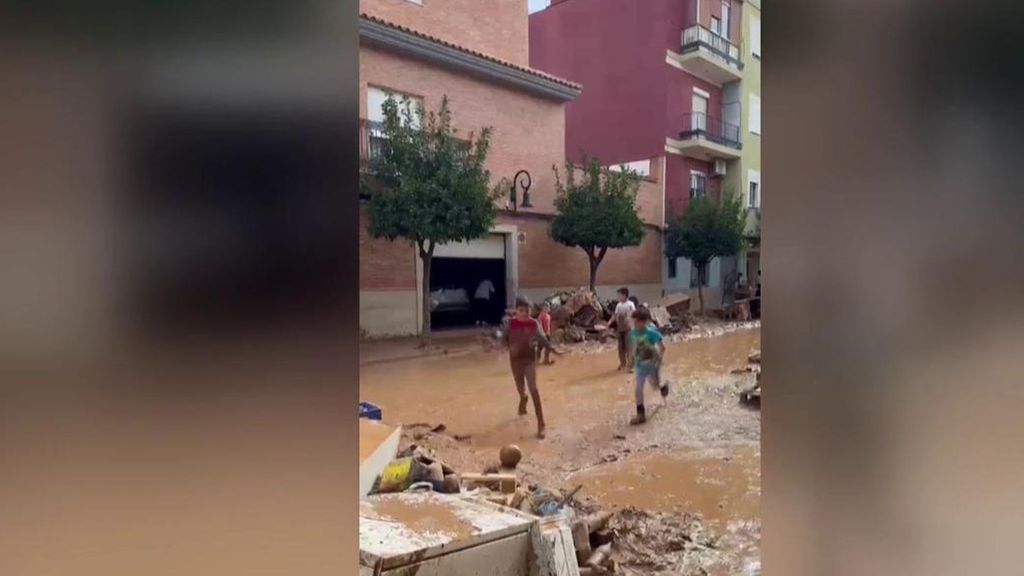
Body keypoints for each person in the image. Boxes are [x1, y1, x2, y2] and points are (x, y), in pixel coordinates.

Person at [503, 296, 560, 438]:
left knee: (534, 389)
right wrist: (510, 347)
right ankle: (523, 399)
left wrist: (553, 350)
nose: (524, 314)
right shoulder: (510, 324)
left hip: (529, 360)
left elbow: (543, 339)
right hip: (515, 361)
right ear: (516, 311)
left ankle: (541, 424)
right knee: (521, 390)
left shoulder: (534, 324)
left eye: (527, 311)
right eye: (521, 311)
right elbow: (503, 340)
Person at [628, 308, 669, 425]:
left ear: (644, 322)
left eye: (636, 322)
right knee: (638, 389)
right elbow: (633, 348)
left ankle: (663, 388)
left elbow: (662, 347)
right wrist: (630, 361)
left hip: (652, 365)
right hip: (640, 366)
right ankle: (641, 414)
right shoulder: (633, 333)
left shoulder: (651, 333)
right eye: (633, 321)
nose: (634, 324)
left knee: (655, 386)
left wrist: (658, 360)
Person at [611, 287, 636, 372]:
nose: (618, 297)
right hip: (620, 329)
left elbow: (632, 314)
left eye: (619, 295)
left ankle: (631, 366)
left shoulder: (630, 304)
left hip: (628, 329)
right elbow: (615, 315)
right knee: (621, 348)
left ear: (624, 295)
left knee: (629, 347)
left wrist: (628, 318)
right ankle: (623, 364)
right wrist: (608, 323)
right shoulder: (618, 305)